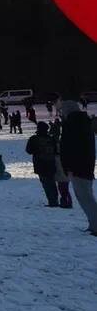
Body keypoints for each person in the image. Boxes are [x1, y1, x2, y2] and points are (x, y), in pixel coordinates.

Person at [58, 100, 97, 235]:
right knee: (86, 196)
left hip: (78, 167)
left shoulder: (72, 125)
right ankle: (93, 224)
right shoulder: (84, 123)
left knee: (85, 198)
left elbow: (68, 148)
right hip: (85, 165)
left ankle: (95, 225)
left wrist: (68, 166)